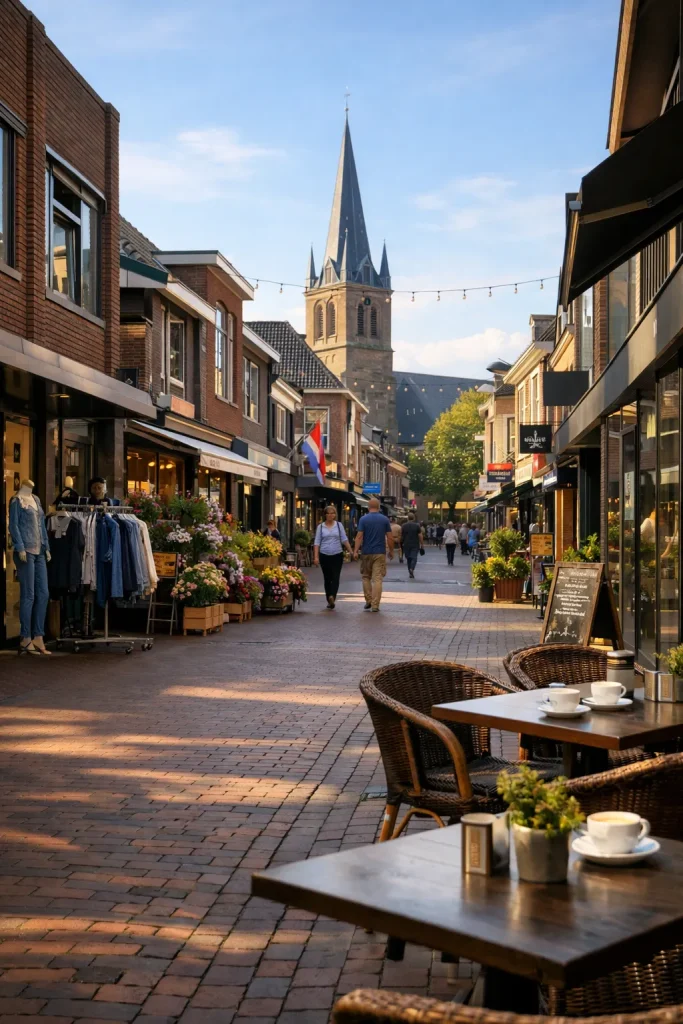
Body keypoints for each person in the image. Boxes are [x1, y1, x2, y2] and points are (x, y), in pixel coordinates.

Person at [353, 497, 393, 612]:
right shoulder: (384, 520)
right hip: (379, 552)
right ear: (379, 507)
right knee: (377, 579)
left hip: (366, 552)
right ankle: (375, 605)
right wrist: (391, 551)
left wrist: (355, 551)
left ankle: (368, 600)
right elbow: (390, 537)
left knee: (366, 577)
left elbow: (359, 536)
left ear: (369, 507)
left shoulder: (363, 519)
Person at [313, 506, 354, 609]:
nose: (331, 515)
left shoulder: (339, 526)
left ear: (335, 515)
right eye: (328, 513)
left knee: (336, 576)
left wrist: (351, 551)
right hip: (324, 554)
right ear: (325, 515)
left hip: (337, 554)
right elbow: (317, 542)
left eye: (333, 513)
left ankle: (332, 597)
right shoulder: (321, 527)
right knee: (327, 578)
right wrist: (316, 557)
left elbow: (344, 539)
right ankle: (328, 598)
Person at [401, 513, 423, 579]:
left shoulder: (403, 526)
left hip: (406, 544)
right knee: (414, 557)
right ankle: (412, 569)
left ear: (407, 518)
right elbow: (420, 535)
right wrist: (422, 544)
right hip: (415, 544)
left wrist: (401, 543)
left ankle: (409, 571)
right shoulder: (417, 526)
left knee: (408, 559)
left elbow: (401, 536)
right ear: (414, 518)